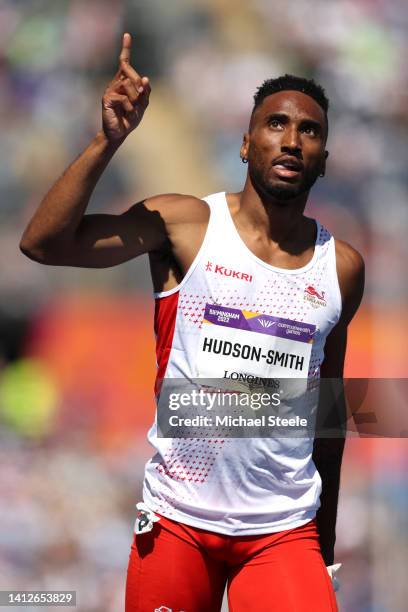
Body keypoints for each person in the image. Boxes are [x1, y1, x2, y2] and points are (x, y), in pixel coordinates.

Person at [20, 32, 364, 612]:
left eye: (310, 131)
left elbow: (328, 413)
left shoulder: (343, 267)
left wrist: (322, 547)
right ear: (244, 143)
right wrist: (108, 141)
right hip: (178, 524)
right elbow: (45, 243)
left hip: (283, 532)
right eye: (276, 123)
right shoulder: (186, 225)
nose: (292, 139)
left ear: (324, 160)